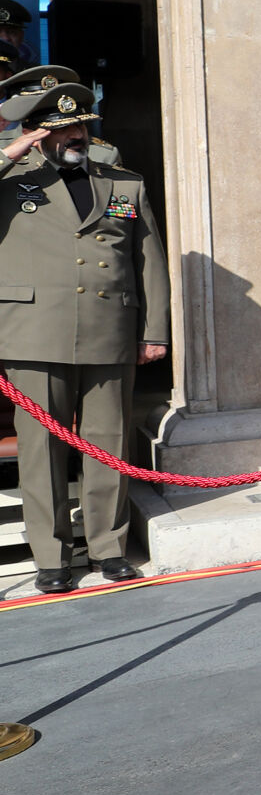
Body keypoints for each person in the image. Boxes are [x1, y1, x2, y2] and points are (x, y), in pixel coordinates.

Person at [0, 84, 168, 592]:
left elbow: (148, 261)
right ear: (38, 132)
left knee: (108, 444)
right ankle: (51, 556)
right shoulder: (12, 179)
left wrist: (153, 329)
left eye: (81, 126)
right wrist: (14, 148)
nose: (76, 135)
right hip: (33, 331)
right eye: (62, 128)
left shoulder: (123, 184)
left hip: (109, 329)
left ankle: (108, 548)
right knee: (41, 449)